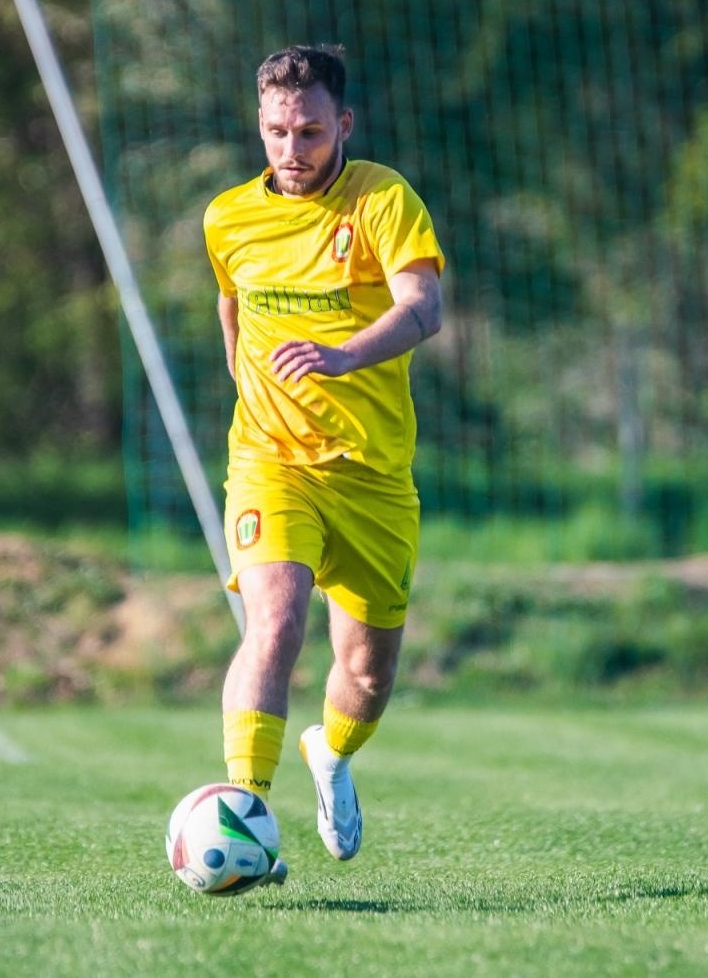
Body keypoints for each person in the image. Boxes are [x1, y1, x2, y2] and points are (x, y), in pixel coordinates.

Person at [203, 45, 444, 882]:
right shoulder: (228, 217)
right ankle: (245, 816)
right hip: (271, 460)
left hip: (373, 474)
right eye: (277, 131)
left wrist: (343, 358)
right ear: (259, 127)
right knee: (275, 621)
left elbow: (425, 306)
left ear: (342, 124)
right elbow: (231, 309)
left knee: (367, 674)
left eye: (309, 130)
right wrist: (251, 395)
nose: (292, 149)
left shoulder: (382, 199)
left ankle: (331, 753)